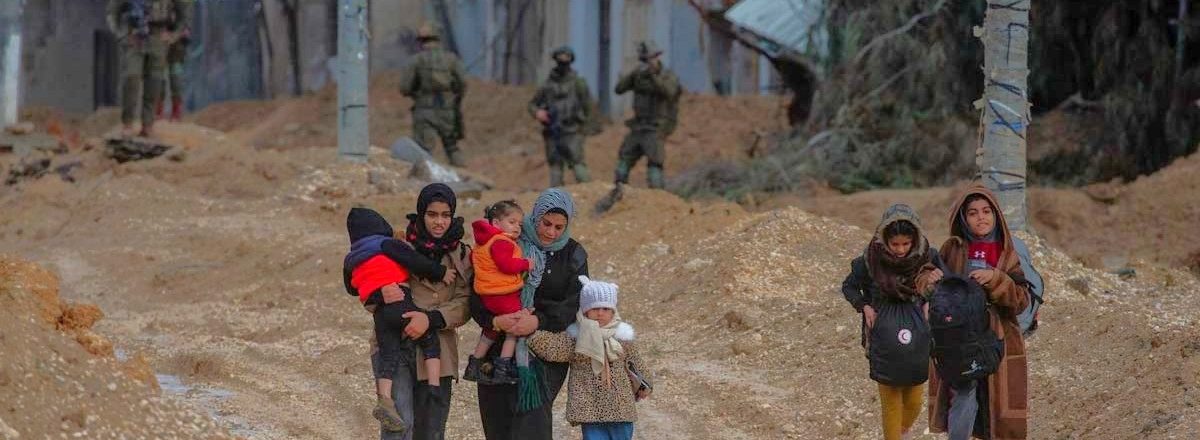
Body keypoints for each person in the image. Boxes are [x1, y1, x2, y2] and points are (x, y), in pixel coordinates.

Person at [470, 188, 589, 440]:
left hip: (544, 353)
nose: (551, 232)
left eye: (559, 227)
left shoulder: (573, 254)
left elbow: (575, 301)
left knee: (532, 425)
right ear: (535, 217)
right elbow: (479, 291)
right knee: (498, 425)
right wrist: (496, 320)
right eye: (546, 224)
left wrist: (537, 320)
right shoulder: (506, 241)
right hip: (499, 348)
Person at [917, 184, 1030, 440]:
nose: (981, 217)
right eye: (973, 212)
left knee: (996, 404)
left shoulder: (1007, 253)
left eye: (986, 211)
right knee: (963, 391)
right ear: (963, 218)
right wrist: (929, 280)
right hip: (959, 338)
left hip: (999, 338)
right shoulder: (953, 249)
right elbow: (924, 278)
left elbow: (1022, 299)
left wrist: (996, 279)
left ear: (996, 215)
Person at [371, 183, 473, 440]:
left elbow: (465, 302)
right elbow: (366, 284)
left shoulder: (462, 253)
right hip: (396, 345)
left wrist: (430, 319)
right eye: (432, 214)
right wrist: (381, 294)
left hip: (439, 351)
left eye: (445, 215)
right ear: (421, 214)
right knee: (398, 426)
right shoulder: (398, 247)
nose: (439, 222)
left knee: (431, 429)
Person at [841, 204, 940, 440]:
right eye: (895, 244)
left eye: (906, 244)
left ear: (915, 240)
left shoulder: (928, 257)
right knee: (891, 401)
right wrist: (864, 306)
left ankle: (901, 432)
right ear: (884, 239)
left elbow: (945, 288)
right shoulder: (869, 260)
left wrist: (931, 299)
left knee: (914, 401)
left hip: (917, 338)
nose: (900, 250)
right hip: (882, 337)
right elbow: (849, 286)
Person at [343, 208, 443, 433]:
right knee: (429, 339)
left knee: (388, 355)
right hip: (402, 308)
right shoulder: (388, 245)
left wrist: (374, 287)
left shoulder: (352, 258)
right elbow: (417, 263)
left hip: (382, 317)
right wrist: (441, 272)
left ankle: (384, 399)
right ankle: (434, 387)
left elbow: (351, 288)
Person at [528, 276, 650, 440]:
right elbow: (554, 347)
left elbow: (635, 363)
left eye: (605, 309)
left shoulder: (622, 337)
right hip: (590, 407)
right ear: (585, 311)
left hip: (620, 405)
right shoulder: (576, 337)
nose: (600, 313)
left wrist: (645, 385)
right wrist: (530, 334)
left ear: (613, 311)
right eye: (594, 308)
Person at [465, 200, 531, 384]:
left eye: (520, 224)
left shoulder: (482, 243)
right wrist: (526, 264)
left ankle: (474, 365)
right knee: (514, 327)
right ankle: (503, 367)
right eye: (512, 222)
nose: (517, 227)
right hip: (503, 293)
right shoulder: (502, 242)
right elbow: (507, 265)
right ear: (496, 223)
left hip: (487, 294)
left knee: (491, 330)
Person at [106, 0, 191, 137]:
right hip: (134, 37)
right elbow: (113, 11)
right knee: (131, 77)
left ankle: (148, 125)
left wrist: (173, 35)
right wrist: (121, 34)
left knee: (154, 82)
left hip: (158, 38)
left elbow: (183, 14)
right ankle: (127, 123)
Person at [613, 40, 681, 190]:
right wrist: (633, 74)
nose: (649, 62)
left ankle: (657, 197)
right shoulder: (638, 75)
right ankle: (619, 193)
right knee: (623, 162)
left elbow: (669, 93)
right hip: (638, 126)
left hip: (655, 127)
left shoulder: (667, 76)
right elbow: (619, 89)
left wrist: (653, 76)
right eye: (645, 59)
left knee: (655, 165)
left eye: (651, 58)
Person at [399, 22, 468, 167]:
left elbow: (404, 87)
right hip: (448, 110)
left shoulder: (416, 60)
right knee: (452, 148)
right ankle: (464, 177)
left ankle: (426, 178)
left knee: (423, 150)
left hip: (424, 111)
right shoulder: (451, 59)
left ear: (420, 41)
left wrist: (416, 94)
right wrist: (453, 98)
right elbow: (462, 83)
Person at [528, 46, 595, 187]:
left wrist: (584, 129)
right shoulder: (547, 85)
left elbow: (588, 107)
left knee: (578, 166)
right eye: (560, 60)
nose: (563, 64)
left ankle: (590, 193)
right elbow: (532, 104)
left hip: (573, 131)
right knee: (555, 167)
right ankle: (556, 197)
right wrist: (538, 113)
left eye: (566, 60)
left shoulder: (578, 83)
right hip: (553, 132)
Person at [156, 0, 194, 122]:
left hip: (175, 43)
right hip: (163, 40)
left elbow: (184, 22)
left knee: (173, 76)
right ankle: (162, 112)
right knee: (162, 76)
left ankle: (173, 112)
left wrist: (173, 35)